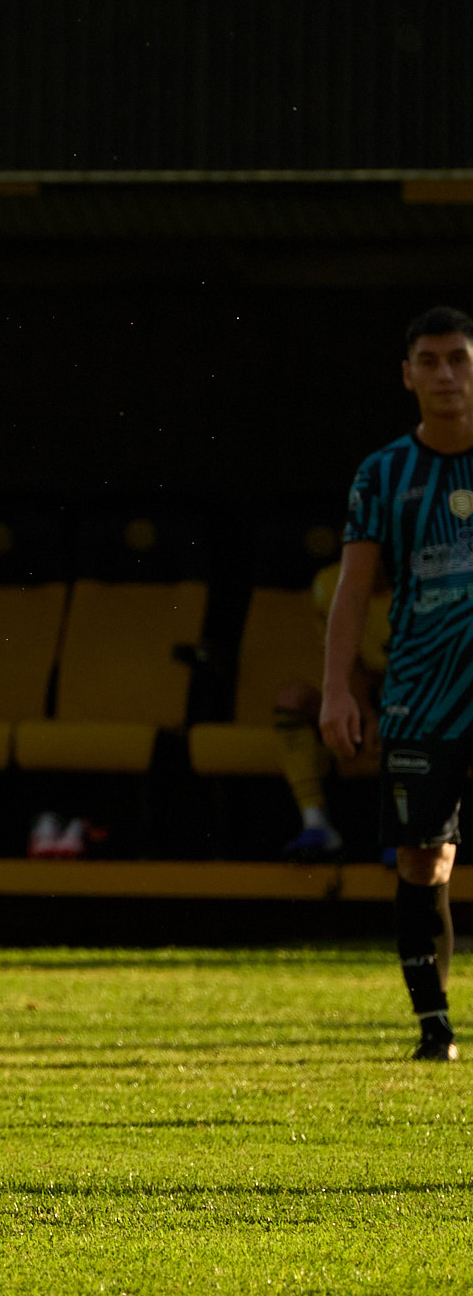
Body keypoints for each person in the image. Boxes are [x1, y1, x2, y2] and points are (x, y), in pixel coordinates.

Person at [324, 305, 473, 1063]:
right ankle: (434, 1026)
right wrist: (337, 689)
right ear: (407, 374)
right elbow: (352, 590)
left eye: (459, 358)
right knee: (424, 857)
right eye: (431, 360)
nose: (446, 374)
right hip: (421, 692)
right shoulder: (382, 473)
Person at [272, 560, 388, 861]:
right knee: (291, 699)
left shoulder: (428, 576)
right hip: (359, 697)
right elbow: (344, 657)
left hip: (416, 694)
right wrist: (366, 713)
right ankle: (316, 823)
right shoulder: (332, 581)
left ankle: (410, 832)